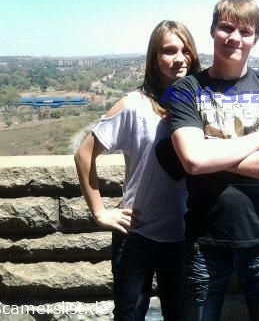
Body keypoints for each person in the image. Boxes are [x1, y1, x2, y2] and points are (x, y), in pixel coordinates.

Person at [157, 0, 259, 321]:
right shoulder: (186, 90)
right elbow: (193, 161)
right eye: (226, 28)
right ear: (212, 31)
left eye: (245, 31)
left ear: (255, 39)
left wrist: (211, 151)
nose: (234, 37)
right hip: (204, 242)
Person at [74, 20, 201, 320]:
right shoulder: (133, 105)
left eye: (185, 50)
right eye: (169, 51)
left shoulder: (201, 104)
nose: (180, 58)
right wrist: (99, 212)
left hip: (185, 236)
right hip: (137, 235)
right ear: (154, 58)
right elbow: (84, 154)